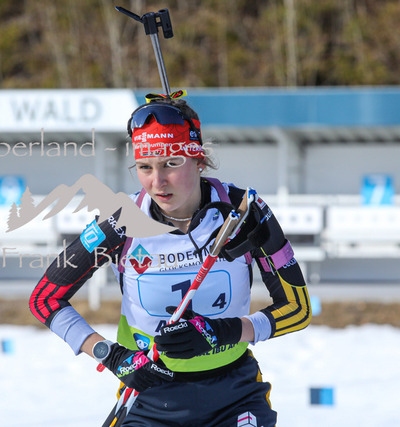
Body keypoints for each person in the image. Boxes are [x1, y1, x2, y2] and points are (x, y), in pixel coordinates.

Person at [29, 93, 310, 426]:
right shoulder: (120, 221)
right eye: (145, 167)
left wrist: (224, 331)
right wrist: (111, 355)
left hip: (234, 395)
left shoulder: (243, 211)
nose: (157, 182)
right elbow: (45, 299)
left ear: (199, 159)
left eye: (171, 164)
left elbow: (297, 308)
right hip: (150, 398)